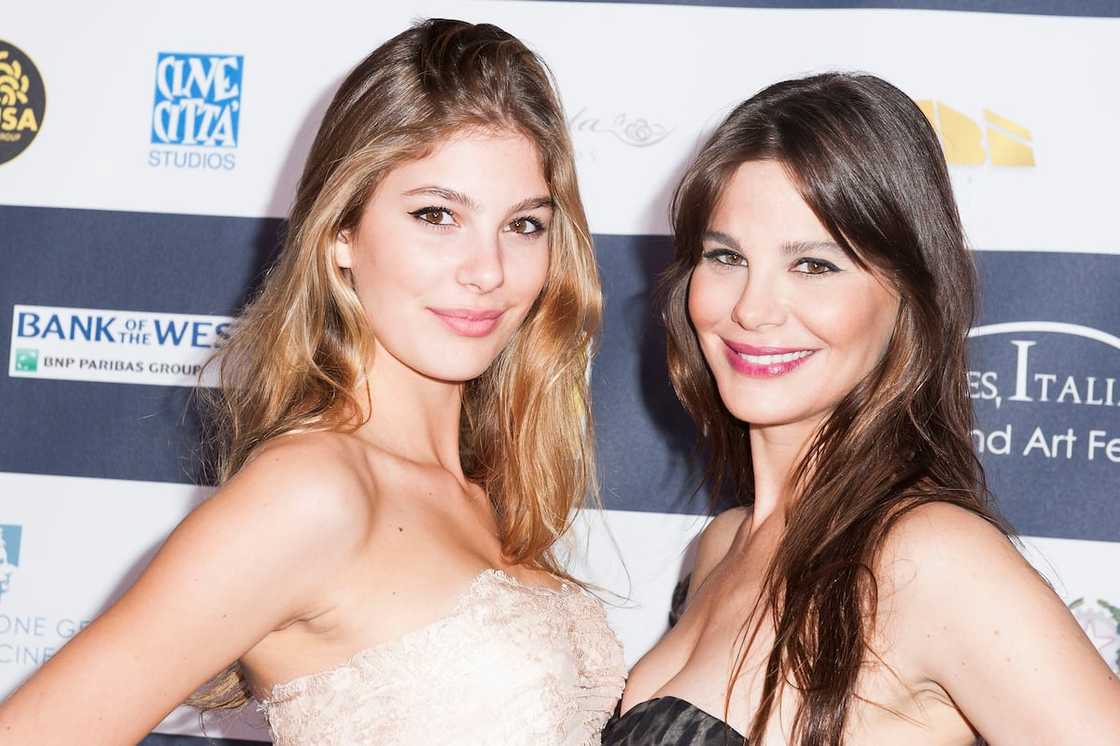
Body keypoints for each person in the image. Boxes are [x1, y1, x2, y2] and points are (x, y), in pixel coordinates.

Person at [0, 19, 625, 746]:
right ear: (340, 235)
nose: (487, 269)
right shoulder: (312, 493)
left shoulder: (495, 494)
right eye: (436, 215)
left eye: (523, 225)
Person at [602, 73, 1120, 745]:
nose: (751, 309)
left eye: (814, 266)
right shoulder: (721, 546)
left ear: (906, 295)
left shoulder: (928, 558)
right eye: (726, 256)